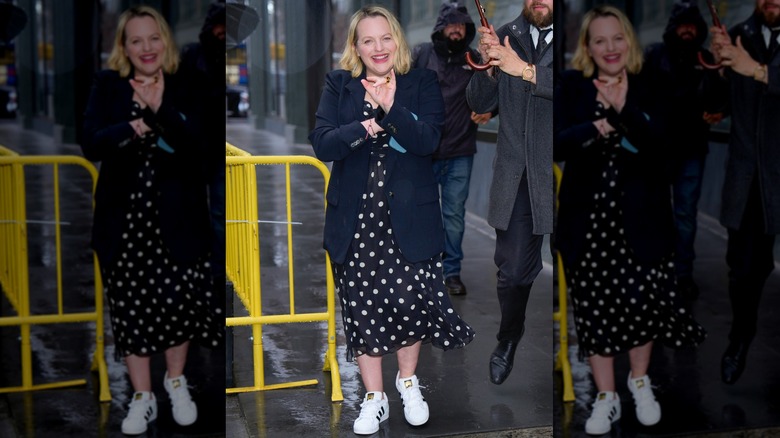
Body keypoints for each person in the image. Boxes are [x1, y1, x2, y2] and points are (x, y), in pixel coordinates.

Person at [308, 6, 475, 436]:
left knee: (409, 303)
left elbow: (428, 140)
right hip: (357, 220)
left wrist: (392, 108)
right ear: (356, 46)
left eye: (385, 38)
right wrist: (366, 123)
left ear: (397, 41)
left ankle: (408, 383)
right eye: (368, 40)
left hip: (410, 218)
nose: (378, 47)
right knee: (364, 308)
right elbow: (323, 143)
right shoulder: (339, 84)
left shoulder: (421, 82)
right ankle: (374, 397)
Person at [554, 6, 707, 435]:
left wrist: (627, 114)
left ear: (629, 42)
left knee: (643, 307)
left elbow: (667, 151)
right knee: (597, 311)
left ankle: (639, 382)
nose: (610, 48)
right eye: (599, 40)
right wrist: (595, 125)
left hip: (645, 221)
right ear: (587, 47)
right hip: (589, 225)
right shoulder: (572, 86)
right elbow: (554, 142)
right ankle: (607, 396)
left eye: (616, 38)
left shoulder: (652, 85)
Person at [81, 6, 223, 435]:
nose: (146, 48)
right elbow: (91, 142)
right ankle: (142, 395)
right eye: (136, 40)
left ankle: (174, 380)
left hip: (180, 223)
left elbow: (200, 150)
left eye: (153, 38)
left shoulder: (188, 83)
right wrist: (133, 126)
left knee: (178, 307)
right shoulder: (108, 85)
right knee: (131, 311)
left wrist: (161, 111)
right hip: (123, 226)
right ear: (123, 46)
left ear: (166, 40)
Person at [465, 0, 553, 386]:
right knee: (514, 273)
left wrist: (528, 71)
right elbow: (479, 104)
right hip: (518, 176)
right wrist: (488, 66)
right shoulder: (504, 36)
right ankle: (508, 338)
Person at [707, 0, 780, 385]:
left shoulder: (751, 51)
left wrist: (759, 71)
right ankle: (740, 338)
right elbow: (719, 105)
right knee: (741, 269)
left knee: (759, 264)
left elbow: (757, 75)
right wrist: (719, 68)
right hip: (748, 178)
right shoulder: (739, 35)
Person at [642, 1, 726, 300]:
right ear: (673, 26)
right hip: (659, 151)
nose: (687, 30)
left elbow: (718, 101)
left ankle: (682, 274)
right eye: (683, 24)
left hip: (691, 150)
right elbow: (639, 99)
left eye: (692, 25)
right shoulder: (654, 56)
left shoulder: (705, 59)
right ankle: (660, 272)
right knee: (658, 213)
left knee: (685, 214)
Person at [411, 1, 493, 296]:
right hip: (425, 152)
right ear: (441, 27)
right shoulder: (422, 55)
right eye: (451, 24)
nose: (456, 29)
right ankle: (427, 272)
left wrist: (491, 111)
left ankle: (452, 272)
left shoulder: (474, 59)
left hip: (460, 152)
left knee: (454, 217)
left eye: (461, 25)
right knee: (425, 215)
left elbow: (491, 92)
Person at [179, 0, 226, 292]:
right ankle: (197, 270)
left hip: (218, 152)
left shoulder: (226, 57)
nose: (222, 32)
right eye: (219, 26)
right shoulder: (192, 56)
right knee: (193, 214)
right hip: (195, 150)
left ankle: (217, 274)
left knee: (219, 215)